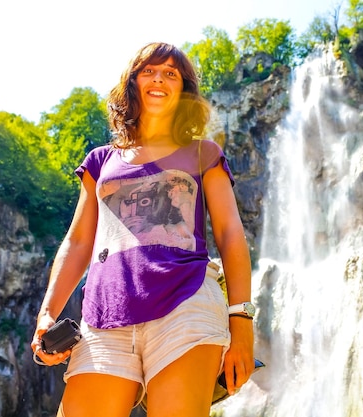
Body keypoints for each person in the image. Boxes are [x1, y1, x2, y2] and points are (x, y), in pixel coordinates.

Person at [30, 42, 255, 417]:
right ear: (133, 82)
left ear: (183, 90)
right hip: (105, 312)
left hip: (186, 304)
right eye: (149, 70)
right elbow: (79, 241)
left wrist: (242, 321)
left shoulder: (204, 153)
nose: (159, 79)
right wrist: (46, 315)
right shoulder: (102, 161)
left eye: (171, 73)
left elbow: (230, 233)